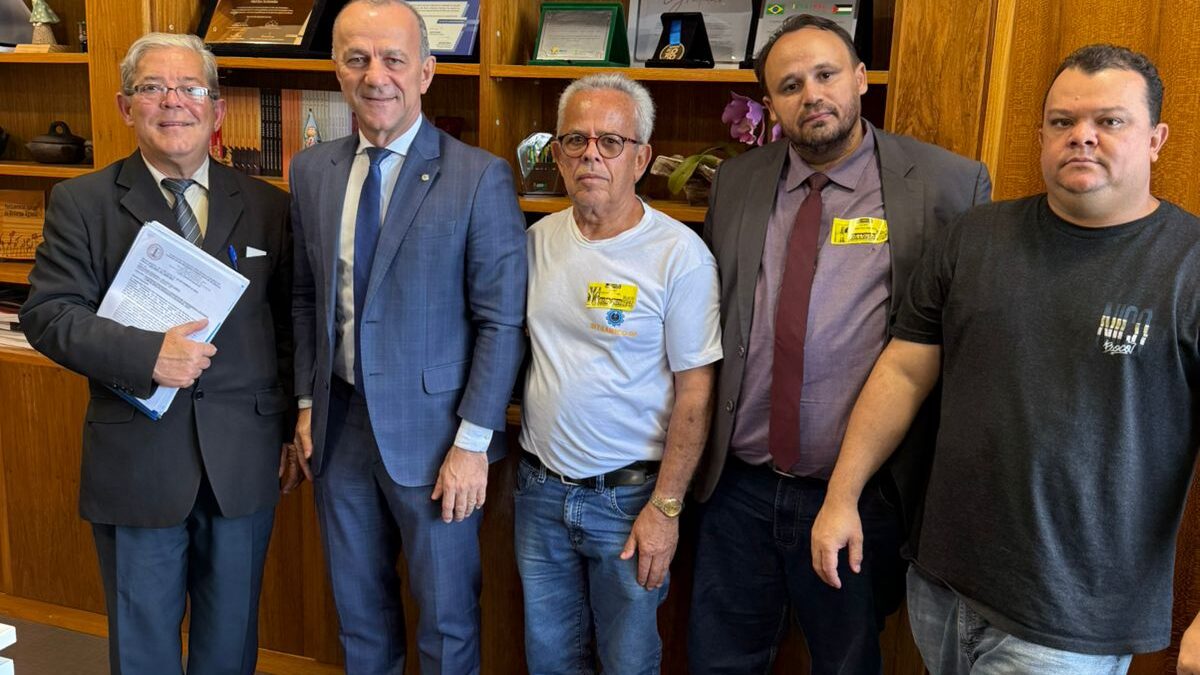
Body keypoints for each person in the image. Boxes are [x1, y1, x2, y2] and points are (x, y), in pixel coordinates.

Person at [811, 43, 1200, 673]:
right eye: (1062, 121)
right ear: (1041, 136)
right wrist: (841, 495)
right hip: (941, 584)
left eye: (1110, 121)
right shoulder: (973, 238)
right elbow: (903, 372)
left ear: (1155, 140)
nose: (1082, 136)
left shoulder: (1190, 266)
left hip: (1071, 620)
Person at [688, 13, 991, 674]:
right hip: (738, 490)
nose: (811, 95)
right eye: (790, 85)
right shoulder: (738, 182)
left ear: (859, 79)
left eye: (825, 74)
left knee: (847, 663)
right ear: (771, 104)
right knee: (718, 661)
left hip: (862, 495)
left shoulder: (947, 185)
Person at [20, 32, 294, 675]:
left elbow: (288, 328)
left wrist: (288, 430)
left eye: (190, 87)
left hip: (242, 460)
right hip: (136, 463)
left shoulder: (269, 206)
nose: (173, 102)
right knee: (143, 647)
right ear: (125, 106)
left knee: (230, 644)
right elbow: (48, 315)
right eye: (152, 88)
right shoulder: (81, 203)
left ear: (216, 108)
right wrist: (149, 355)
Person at [288, 0, 527, 672]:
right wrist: (305, 404)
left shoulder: (478, 176)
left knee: (447, 622)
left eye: (394, 59)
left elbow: (501, 320)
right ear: (337, 70)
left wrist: (472, 444)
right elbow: (305, 295)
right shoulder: (310, 171)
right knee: (359, 616)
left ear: (425, 71)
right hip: (338, 427)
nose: (376, 76)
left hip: (438, 438)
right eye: (357, 59)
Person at [516, 72, 721, 675]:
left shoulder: (679, 256)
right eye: (575, 140)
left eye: (611, 142)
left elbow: (696, 394)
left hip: (629, 501)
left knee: (628, 663)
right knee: (549, 661)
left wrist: (666, 508)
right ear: (557, 155)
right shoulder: (534, 242)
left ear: (642, 158)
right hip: (539, 492)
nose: (591, 156)